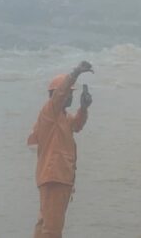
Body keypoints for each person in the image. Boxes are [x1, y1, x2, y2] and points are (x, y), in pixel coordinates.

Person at [28, 61, 94, 238]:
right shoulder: (49, 113)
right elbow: (59, 95)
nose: (71, 96)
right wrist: (76, 73)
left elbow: (77, 125)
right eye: (70, 93)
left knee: (45, 223)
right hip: (55, 176)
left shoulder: (62, 117)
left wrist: (84, 108)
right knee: (53, 228)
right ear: (57, 95)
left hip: (58, 176)